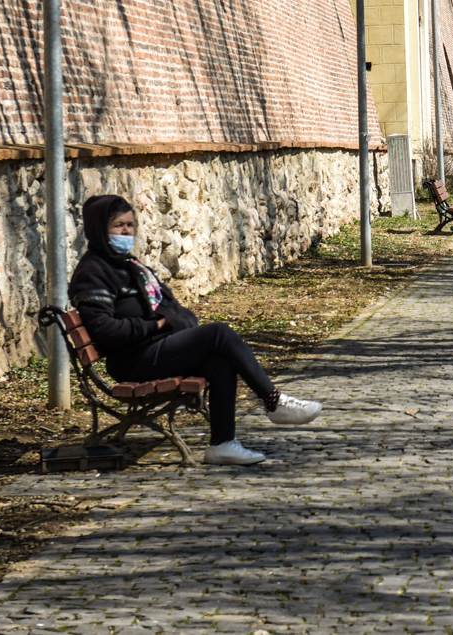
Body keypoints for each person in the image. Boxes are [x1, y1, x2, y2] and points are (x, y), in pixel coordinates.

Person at [68, 193, 321, 466]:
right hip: (133, 359)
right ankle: (273, 401)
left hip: (154, 347)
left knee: (218, 363)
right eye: (118, 225)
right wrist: (156, 324)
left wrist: (179, 321)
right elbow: (105, 331)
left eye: (130, 225)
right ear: (99, 229)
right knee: (218, 333)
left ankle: (222, 445)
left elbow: (165, 305)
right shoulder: (93, 272)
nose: (126, 232)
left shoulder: (129, 265)